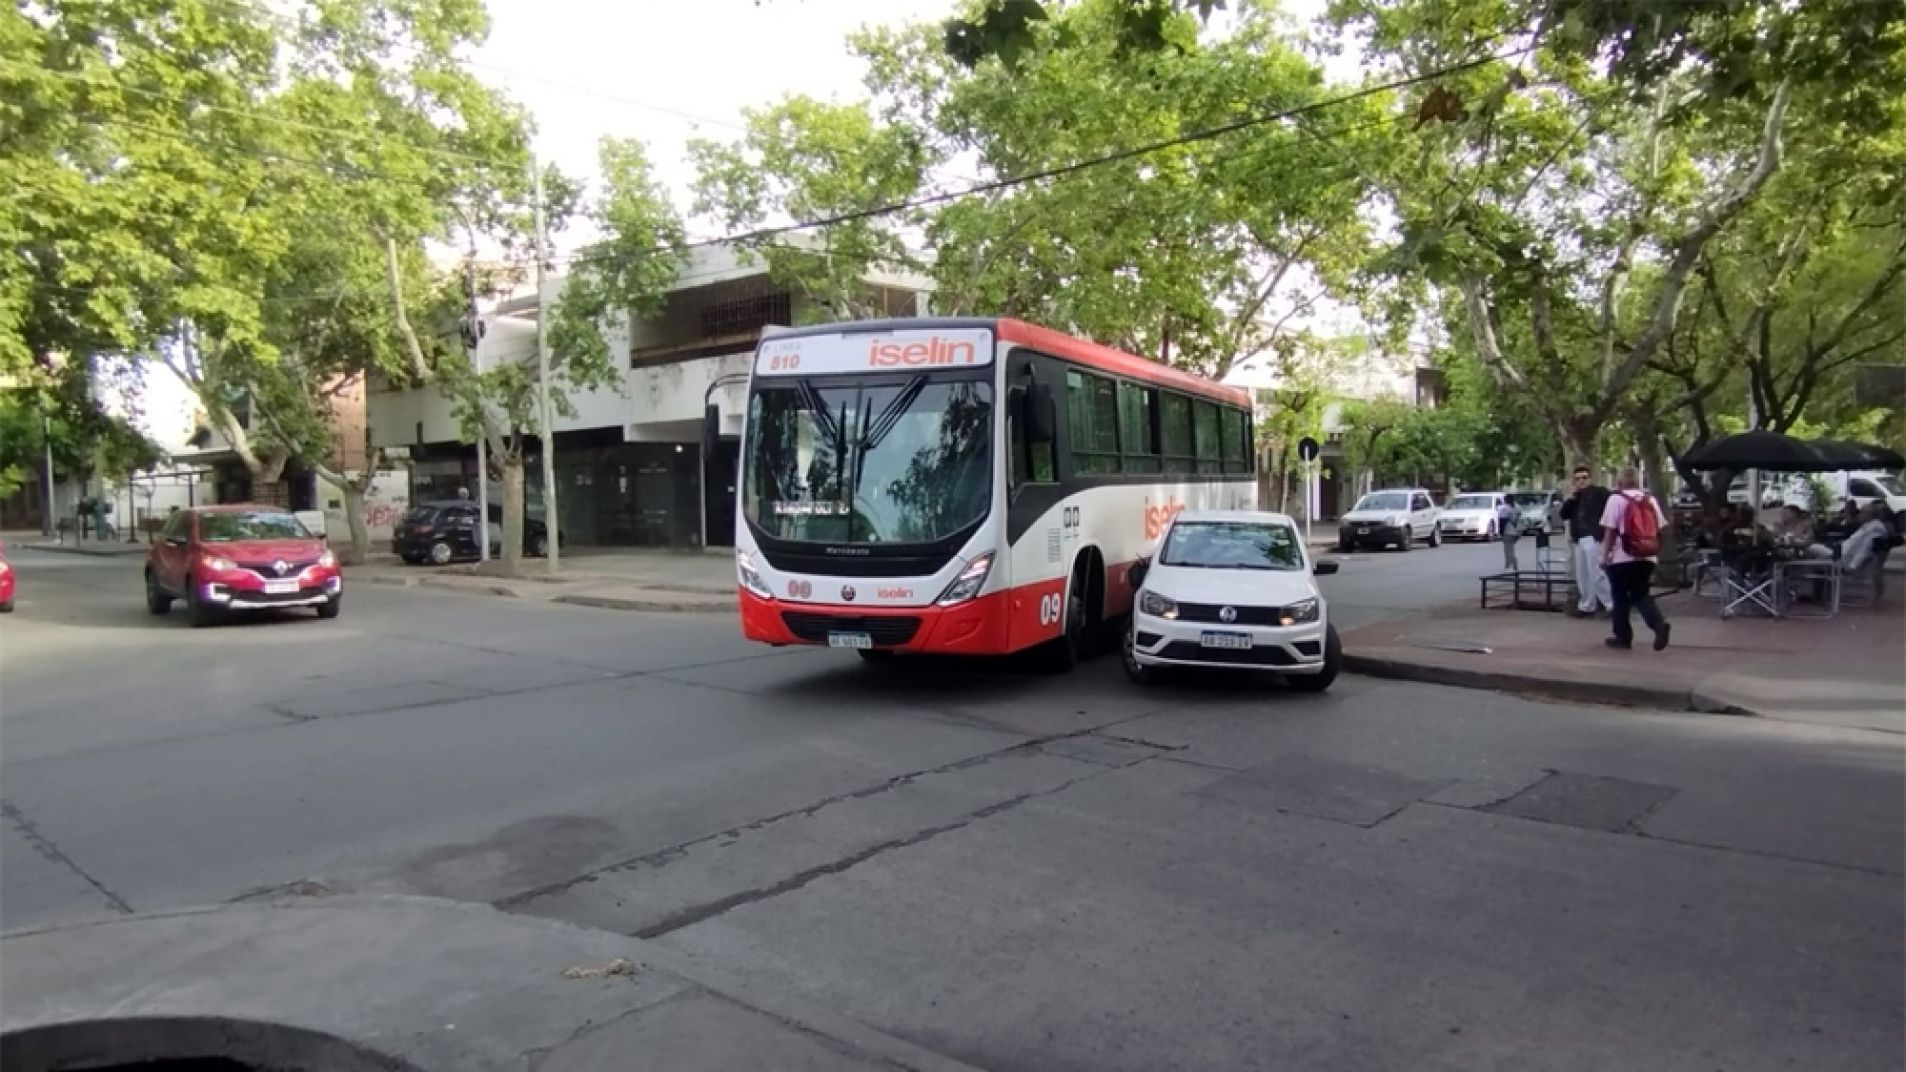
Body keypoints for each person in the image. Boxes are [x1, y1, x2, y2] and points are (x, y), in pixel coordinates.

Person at [1599, 468, 1671, 651]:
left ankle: (1623, 636)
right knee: (1641, 593)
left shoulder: (1615, 499)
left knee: (1620, 596)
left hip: (1621, 556)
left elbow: (1610, 530)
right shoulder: (1650, 500)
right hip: (1646, 555)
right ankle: (1658, 624)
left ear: (1620, 480)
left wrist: (1605, 554)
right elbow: (1659, 528)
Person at [1560, 466, 1612, 616]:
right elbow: (1563, 514)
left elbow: (1609, 509)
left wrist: (1602, 533)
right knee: (1582, 574)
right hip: (1579, 538)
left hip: (1594, 537)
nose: (1581, 481)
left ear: (1590, 479)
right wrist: (1571, 498)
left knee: (1596, 572)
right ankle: (1587, 605)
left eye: (1584, 478)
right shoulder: (1575, 497)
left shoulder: (1600, 493)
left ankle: (1611, 603)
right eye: (1578, 479)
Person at [1495, 495, 1521, 572]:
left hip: (1508, 532)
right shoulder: (1517, 507)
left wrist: (1500, 534)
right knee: (1509, 550)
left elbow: (1502, 522)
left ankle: (1513, 568)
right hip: (1517, 531)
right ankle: (1508, 567)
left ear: (1505, 500)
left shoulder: (1505, 509)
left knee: (1509, 551)